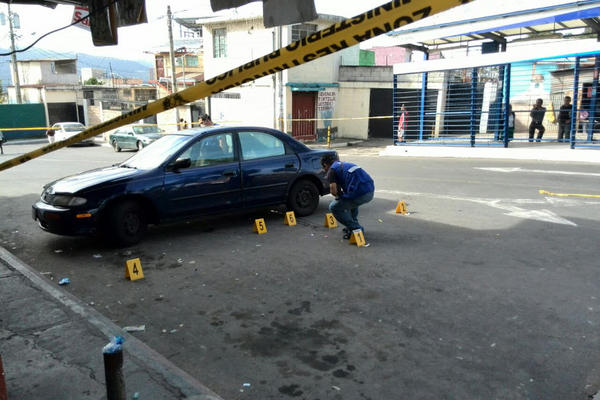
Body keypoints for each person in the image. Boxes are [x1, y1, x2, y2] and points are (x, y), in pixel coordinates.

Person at [320, 154, 375, 240]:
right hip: (370, 190)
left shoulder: (332, 170)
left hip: (360, 194)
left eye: (324, 168)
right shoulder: (344, 164)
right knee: (350, 202)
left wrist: (339, 196)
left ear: (325, 165)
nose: (324, 170)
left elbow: (333, 191)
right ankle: (352, 225)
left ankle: (356, 228)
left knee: (334, 207)